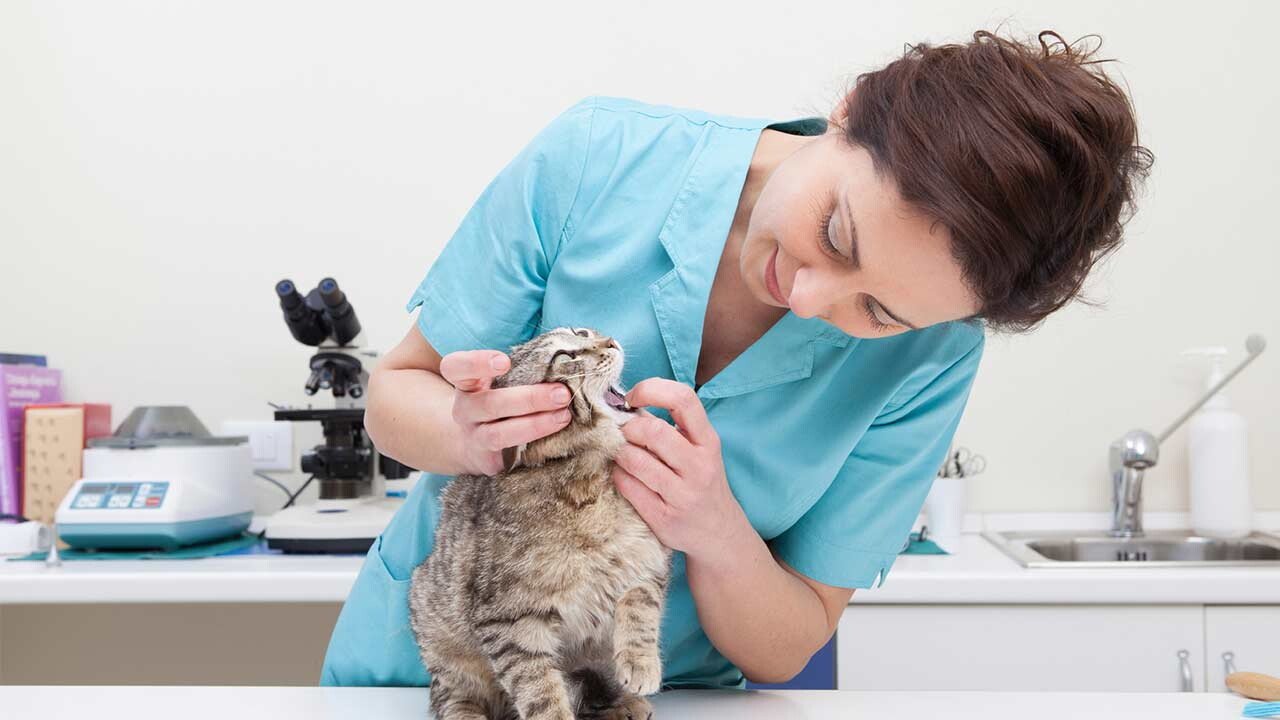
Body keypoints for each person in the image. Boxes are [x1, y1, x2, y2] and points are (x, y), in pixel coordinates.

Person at [320, 29, 1153, 688]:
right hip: (434, 674)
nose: (809, 300)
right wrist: (469, 434)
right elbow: (395, 397)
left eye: (879, 312)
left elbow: (786, 647)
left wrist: (715, 529)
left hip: (653, 696)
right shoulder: (597, 159)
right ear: (849, 112)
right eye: (835, 234)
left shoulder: (932, 355)